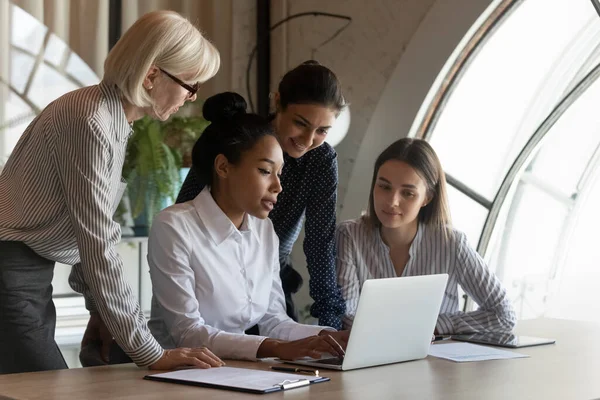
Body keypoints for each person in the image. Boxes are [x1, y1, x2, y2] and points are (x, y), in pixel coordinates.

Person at [0, 10, 224, 374]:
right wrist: (150, 352)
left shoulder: (108, 118)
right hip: (11, 271)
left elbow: (86, 234)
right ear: (152, 74)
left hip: (25, 272)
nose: (190, 97)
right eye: (190, 84)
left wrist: (101, 312)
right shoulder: (91, 120)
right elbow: (97, 240)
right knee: (44, 389)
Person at [148, 92, 348, 361]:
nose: (278, 187)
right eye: (265, 171)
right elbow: (188, 333)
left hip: (237, 372)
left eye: (280, 173)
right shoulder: (173, 227)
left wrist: (331, 335)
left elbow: (274, 321)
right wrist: (274, 348)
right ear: (223, 167)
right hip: (174, 373)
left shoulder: (264, 231)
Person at [177, 61, 347, 330]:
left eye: (322, 131)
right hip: (212, 279)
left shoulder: (321, 160)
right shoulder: (239, 138)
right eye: (300, 123)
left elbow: (319, 244)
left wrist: (332, 324)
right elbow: (185, 210)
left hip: (271, 285)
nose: (308, 139)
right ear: (278, 102)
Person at [336, 138, 517, 334]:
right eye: (384, 187)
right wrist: (414, 329)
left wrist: (438, 326)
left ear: (427, 198)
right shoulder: (349, 235)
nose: (392, 202)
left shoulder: (451, 243)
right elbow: (347, 315)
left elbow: (504, 315)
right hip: (371, 361)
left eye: (408, 193)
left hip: (436, 361)